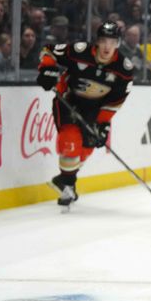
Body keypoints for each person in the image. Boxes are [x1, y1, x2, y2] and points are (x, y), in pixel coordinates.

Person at [36, 21, 134, 207]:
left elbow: (116, 101)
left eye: (112, 42)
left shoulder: (124, 69)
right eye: (103, 40)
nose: (107, 46)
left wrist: (102, 123)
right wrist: (47, 69)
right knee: (70, 140)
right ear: (97, 41)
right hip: (68, 100)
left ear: (118, 43)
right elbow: (47, 50)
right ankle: (68, 184)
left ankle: (65, 181)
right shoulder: (79, 51)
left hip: (94, 109)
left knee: (87, 144)